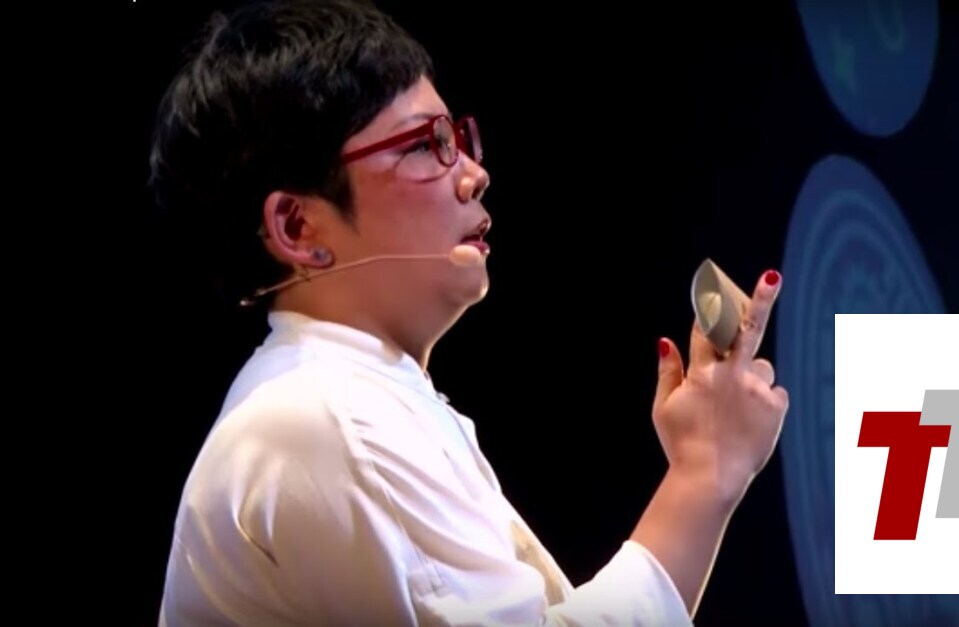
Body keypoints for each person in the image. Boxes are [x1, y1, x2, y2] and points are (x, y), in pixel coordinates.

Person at [149, 0, 790, 624]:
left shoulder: (353, 397)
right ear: (297, 226)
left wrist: (706, 469)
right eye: (423, 145)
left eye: (456, 138)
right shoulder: (328, 416)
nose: (474, 173)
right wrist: (705, 473)